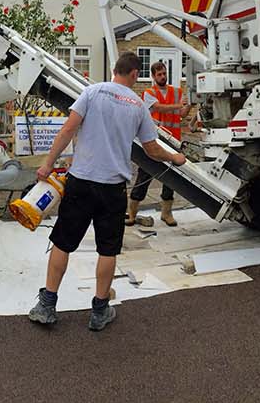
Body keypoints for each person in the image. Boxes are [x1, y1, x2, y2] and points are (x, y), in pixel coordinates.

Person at [27, 52, 187, 331]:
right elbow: (151, 149)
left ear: (115, 70)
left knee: (63, 242)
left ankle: (47, 305)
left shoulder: (92, 92)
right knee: (107, 250)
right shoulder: (138, 105)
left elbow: (67, 130)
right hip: (112, 188)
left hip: (80, 182)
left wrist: (47, 164)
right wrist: (174, 158)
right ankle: (99, 311)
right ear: (135, 74)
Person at [128, 60, 190, 227]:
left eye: (164, 73)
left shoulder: (177, 92)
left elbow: (183, 113)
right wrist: (179, 105)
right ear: (153, 76)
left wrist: (191, 103)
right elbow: (158, 108)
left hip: (173, 140)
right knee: (145, 175)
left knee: (171, 179)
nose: (163, 76)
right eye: (159, 74)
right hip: (154, 140)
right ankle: (132, 213)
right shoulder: (149, 92)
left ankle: (166, 213)